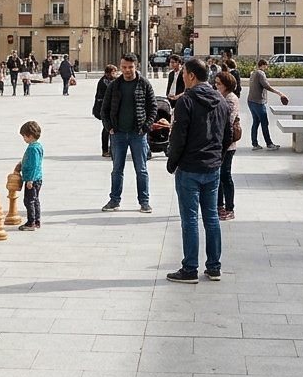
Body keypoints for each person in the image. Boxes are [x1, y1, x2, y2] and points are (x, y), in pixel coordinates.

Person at [164, 58, 232, 283]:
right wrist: (217, 158)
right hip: (212, 168)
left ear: (192, 75)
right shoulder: (220, 101)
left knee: (190, 219)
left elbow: (178, 137)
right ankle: (214, 267)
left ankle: (190, 268)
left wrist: (172, 162)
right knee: (211, 217)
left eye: (184, 73)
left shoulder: (187, 101)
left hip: (190, 168)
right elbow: (227, 135)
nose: (182, 76)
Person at [100, 53, 157, 213]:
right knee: (117, 169)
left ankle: (144, 202)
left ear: (136, 66)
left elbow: (153, 107)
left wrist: (146, 126)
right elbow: (104, 109)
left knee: (142, 169)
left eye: (130, 67)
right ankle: (114, 200)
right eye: (124, 67)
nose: (127, 70)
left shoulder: (144, 84)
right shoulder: (114, 85)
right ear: (120, 66)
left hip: (138, 134)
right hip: (117, 134)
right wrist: (109, 127)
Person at [214, 71, 240, 221]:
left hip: (227, 144)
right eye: (216, 83)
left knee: (225, 175)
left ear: (226, 85)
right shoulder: (221, 96)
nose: (216, 86)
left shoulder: (231, 98)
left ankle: (229, 208)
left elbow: (227, 121)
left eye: (219, 84)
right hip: (218, 142)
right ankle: (219, 205)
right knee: (218, 175)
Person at [245, 59, 288, 150]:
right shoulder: (261, 73)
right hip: (258, 102)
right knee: (265, 123)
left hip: (251, 101)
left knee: (255, 122)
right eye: (266, 65)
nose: (267, 67)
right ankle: (269, 144)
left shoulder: (253, 73)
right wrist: (279, 93)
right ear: (263, 65)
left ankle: (255, 144)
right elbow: (266, 86)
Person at [17, 121, 45, 231]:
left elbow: (34, 165)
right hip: (37, 178)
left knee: (29, 201)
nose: (23, 139)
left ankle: (31, 223)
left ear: (30, 136)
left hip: (32, 179)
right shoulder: (36, 146)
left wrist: (30, 180)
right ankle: (37, 221)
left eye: (24, 136)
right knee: (35, 200)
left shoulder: (33, 148)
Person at [94, 64, 117, 157]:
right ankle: (105, 150)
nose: (115, 74)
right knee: (107, 129)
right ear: (108, 73)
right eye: (113, 72)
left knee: (110, 129)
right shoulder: (104, 82)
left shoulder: (110, 81)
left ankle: (111, 149)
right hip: (104, 110)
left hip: (110, 110)